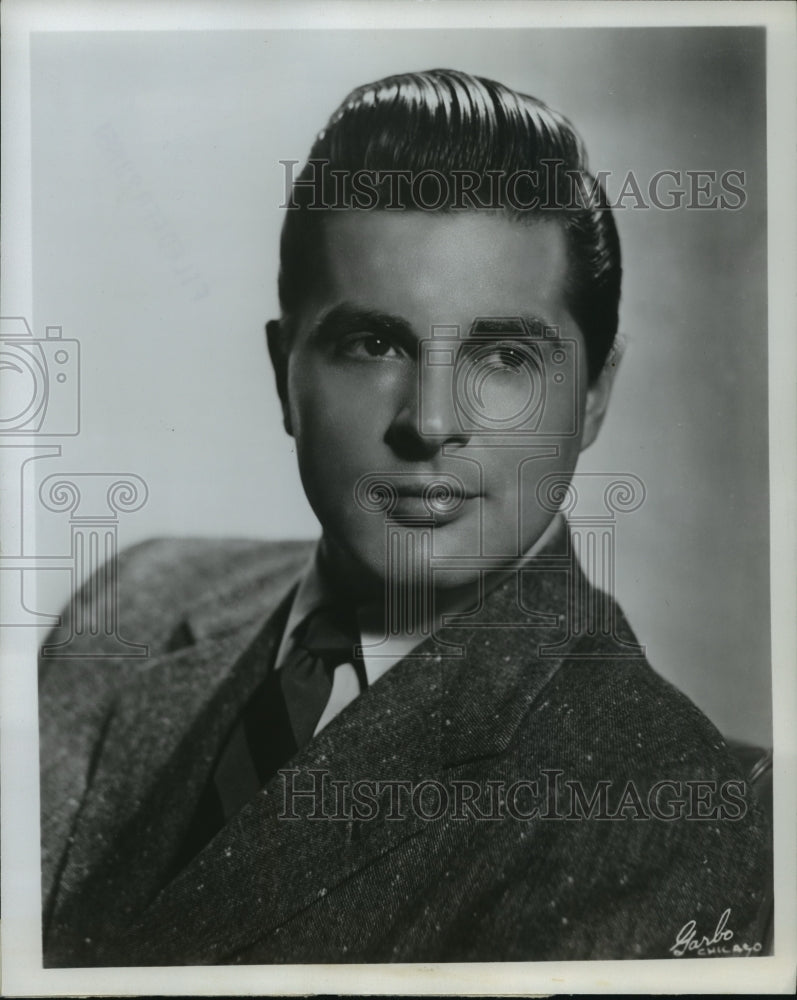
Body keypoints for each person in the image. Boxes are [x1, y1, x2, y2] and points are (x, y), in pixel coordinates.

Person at [39, 68, 770, 966]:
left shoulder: (654, 811)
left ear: (590, 396)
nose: (428, 422)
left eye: (502, 355)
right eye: (373, 343)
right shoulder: (135, 599)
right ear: (284, 374)